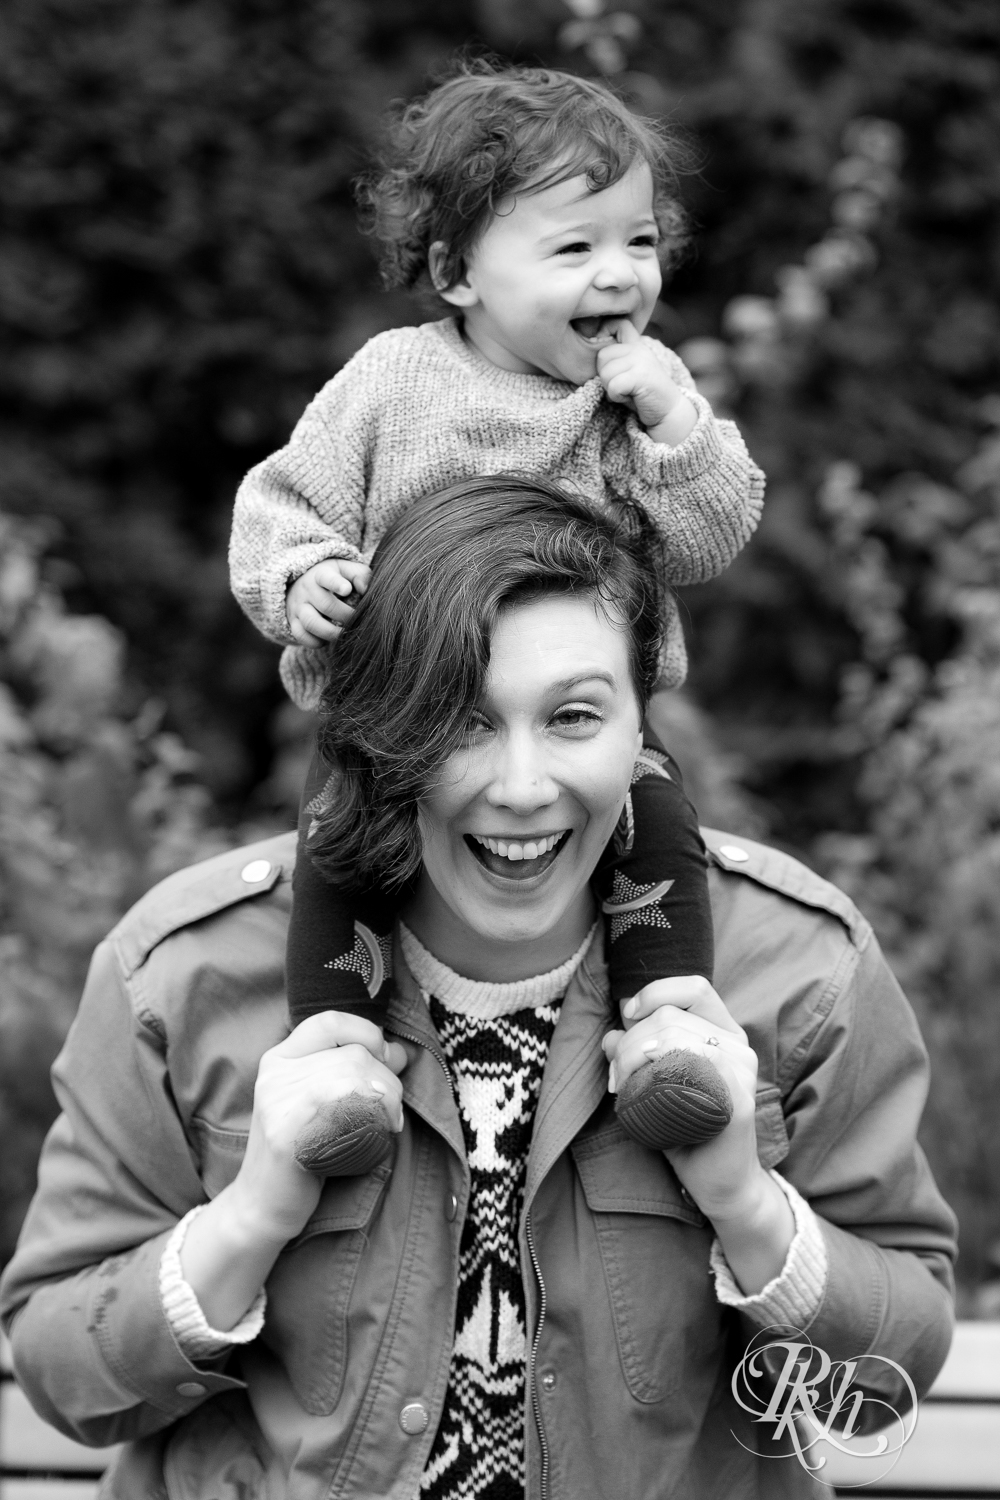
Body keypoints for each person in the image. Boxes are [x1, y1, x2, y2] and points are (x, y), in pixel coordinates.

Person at [2, 478, 956, 1500]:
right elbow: (69, 1375)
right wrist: (251, 1217)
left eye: (574, 716)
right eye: (459, 721)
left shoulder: (799, 967)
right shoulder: (180, 973)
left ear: (642, 725)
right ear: (381, 731)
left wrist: (741, 1200)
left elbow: (878, 1387)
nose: (521, 786)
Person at [227, 60, 766, 1169]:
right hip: (403, 709)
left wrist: (674, 425)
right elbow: (279, 503)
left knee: (651, 819)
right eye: (571, 249)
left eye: (639, 242)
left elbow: (712, 540)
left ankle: (666, 1024)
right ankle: (336, 1052)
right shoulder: (390, 382)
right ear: (454, 270)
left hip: (573, 716)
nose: (617, 274)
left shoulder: (628, 408)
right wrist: (305, 578)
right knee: (343, 842)